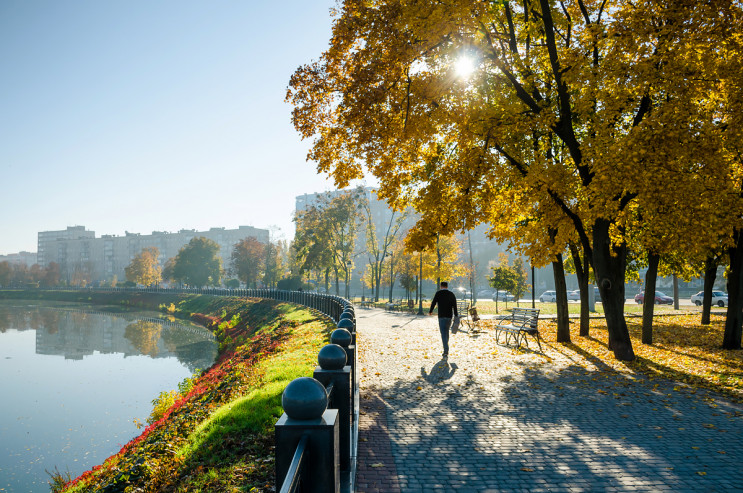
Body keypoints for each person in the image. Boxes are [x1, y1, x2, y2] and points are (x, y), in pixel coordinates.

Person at [428, 281, 458, 358]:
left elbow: (433, 302)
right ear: (447, 286)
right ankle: (446, 347)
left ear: (441, 286)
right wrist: (456, 315)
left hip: (441, 316)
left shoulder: (438, 293)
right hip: (449, 316)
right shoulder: (451, 294)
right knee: (446, 332)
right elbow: (455, 305)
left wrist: (431, 311)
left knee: (443, 333)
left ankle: (446, 350)